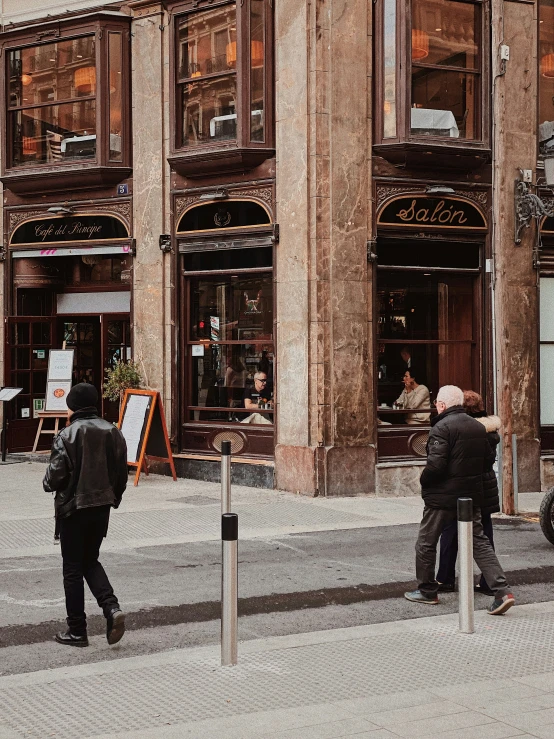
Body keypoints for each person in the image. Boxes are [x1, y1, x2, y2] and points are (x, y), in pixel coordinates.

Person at [404, 384, 515, 615]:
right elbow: (486, 462)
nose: (436, 406)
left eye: (437, 403)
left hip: (442, 498)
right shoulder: (478, 427)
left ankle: (426, 590)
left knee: (426, 542)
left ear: (442, 405)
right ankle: (502, 591)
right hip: (470, 496)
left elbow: (435, 466)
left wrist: (424, 480)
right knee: (480, 543)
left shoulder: (441, 428)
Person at [43, 382, 128, 647]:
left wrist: (49, 481)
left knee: (72, 567)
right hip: (101, 507)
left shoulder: (66, 435)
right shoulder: (113, 431)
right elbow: (121, 475)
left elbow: (52, 480)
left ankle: (77, 630)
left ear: (72, 406)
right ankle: (111, 608)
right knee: (90, 559)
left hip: (73, 509)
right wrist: (113, 498)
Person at [436, 391, 501, 595]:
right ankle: (490, 583)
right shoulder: (489, 431)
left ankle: (445, 578)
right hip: (486, 487)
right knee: (485, 535)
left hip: (464, 488)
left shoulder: (465, 431)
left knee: (450, 532)